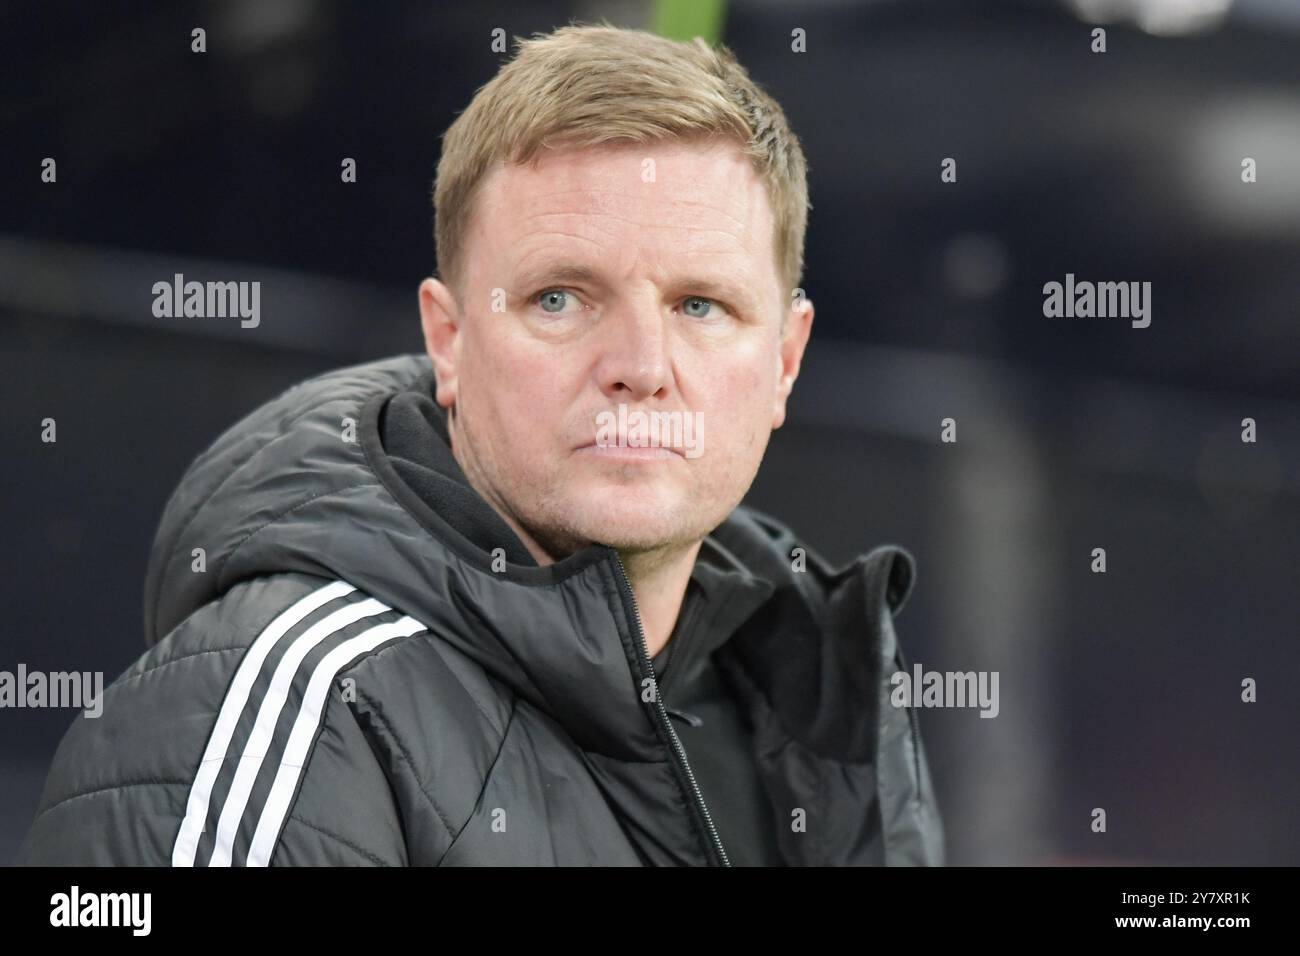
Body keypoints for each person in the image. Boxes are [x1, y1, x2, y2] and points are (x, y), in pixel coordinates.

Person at [18, 23, 943, 866]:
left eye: (701, 306)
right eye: (560, 299)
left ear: (786, 360)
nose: (640, 366)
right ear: (449, 340)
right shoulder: (280, 707)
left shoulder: (832, 699)